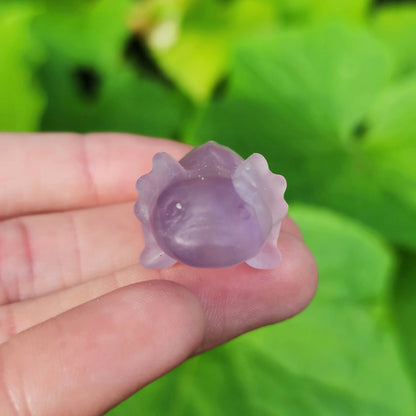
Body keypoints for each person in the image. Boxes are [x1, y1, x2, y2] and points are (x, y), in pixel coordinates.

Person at [0, 133, 318, 415]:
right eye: (175, 211)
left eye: (243, 212)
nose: (207, 235)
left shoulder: (253, 195)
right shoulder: (164, 200)